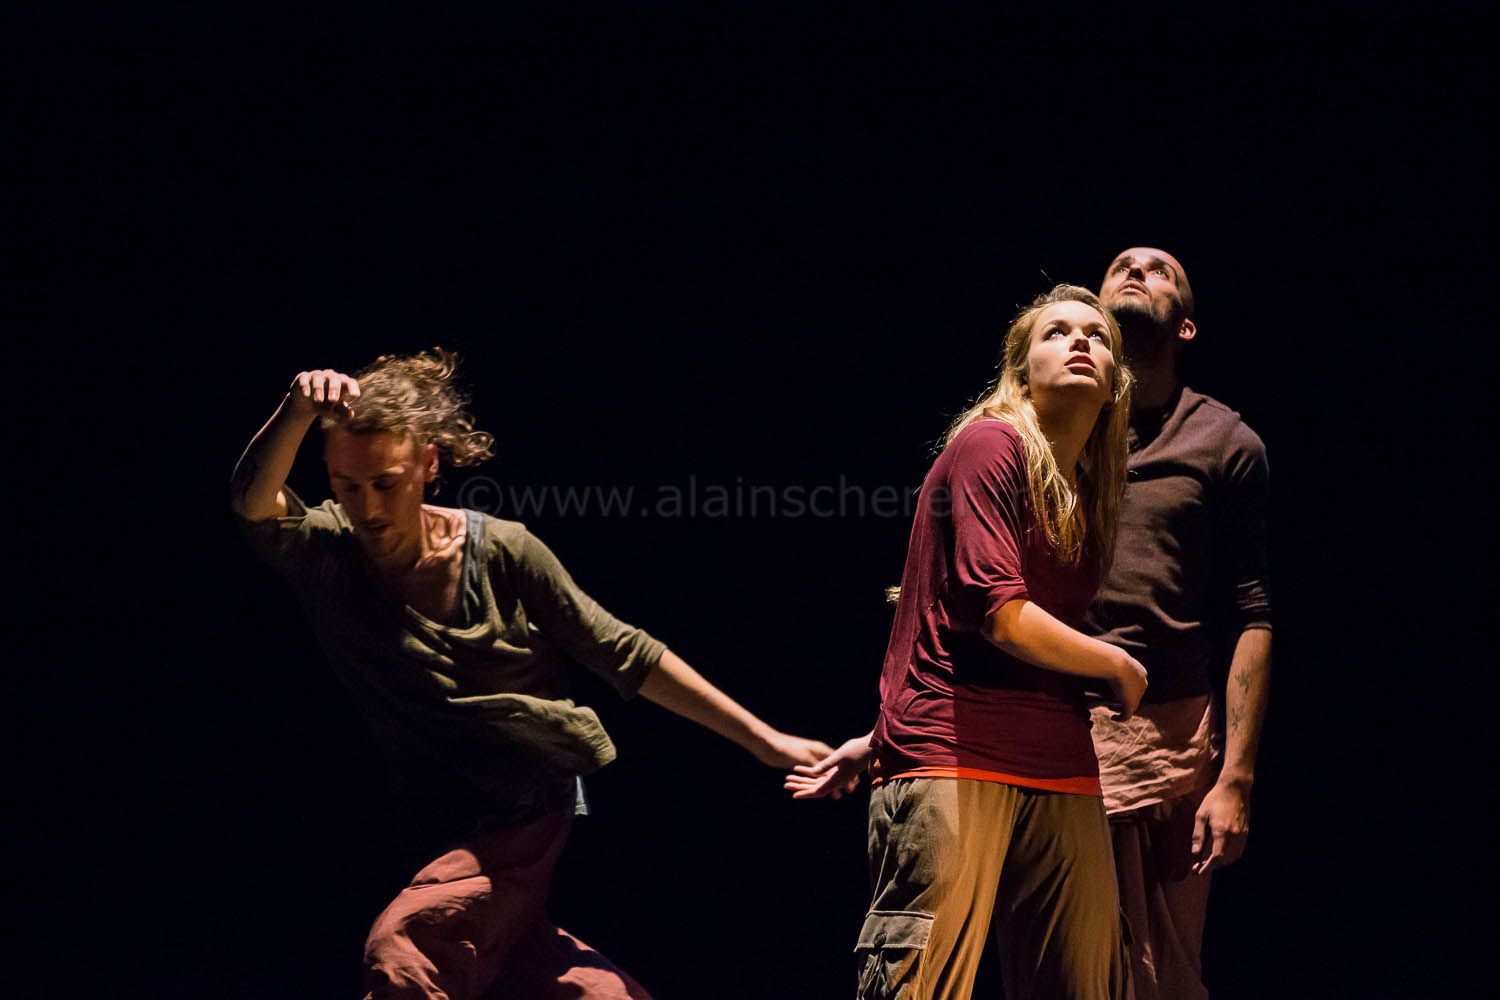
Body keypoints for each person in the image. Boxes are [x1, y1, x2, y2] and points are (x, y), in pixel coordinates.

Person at [230, 349, 832, 1000]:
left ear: (428, 464)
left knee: (407, 948)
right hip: (439, 818)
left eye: (386, 483)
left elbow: (622, 650)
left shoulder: (502, 553)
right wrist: (296, 410)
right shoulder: (329, 555)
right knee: (532, 972)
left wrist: (765, 740)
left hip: (525, 799)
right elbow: (252, 500)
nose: (368, 507)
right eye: (347, 487)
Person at [788, 285, 1146, 999]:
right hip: (956, 752)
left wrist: (874, 736)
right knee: (919, 984)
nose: (1080, 341)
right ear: (1020, 374)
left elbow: (956, 623)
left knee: (1089, 983)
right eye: (1056, 333)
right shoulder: (990, 444)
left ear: (1115, 386)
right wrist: (1115, 663)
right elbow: (999, 615)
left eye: (1097, 336)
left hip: (1058, 760)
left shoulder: (1085, 490)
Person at [1085, 248, 1273, 1000]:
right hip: (1051, 724)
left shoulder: (1223, 441)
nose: (1136, 271)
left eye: (1159, 270)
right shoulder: (1053, 425)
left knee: (1159, 973)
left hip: (1168, 737)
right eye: (1121, 265)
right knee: (1059, 960)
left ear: (1186, 326)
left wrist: (1236, 778)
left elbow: (1252, 613)